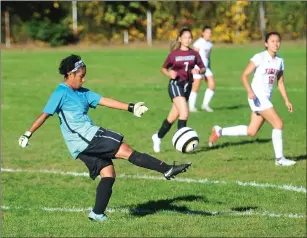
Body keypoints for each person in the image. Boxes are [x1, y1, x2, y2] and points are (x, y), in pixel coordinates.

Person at [18, 54, 192, 222]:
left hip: (80, 145)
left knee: (108, 173)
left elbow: (105, 101)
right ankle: (167, 169)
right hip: (86, 138)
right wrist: (28, 133)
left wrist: (130, 107)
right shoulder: (61, 93)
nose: (84, 79)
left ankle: (97, 214)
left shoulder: (83, 92)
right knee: (127, 151)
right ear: (70, 74)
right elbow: (45, 114)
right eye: (81, 76)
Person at [208, 32, 296, 166]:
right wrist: (249, 91)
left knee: (251, 131)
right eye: (272, 41)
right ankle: (279, 160)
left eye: (278, 41)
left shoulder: (280, 61)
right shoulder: (259, 57)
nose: (276, 43)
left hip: (266, 98)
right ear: (266, 44)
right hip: (257, 96)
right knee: (278, 123)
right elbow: (244, 75)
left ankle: (219, 131)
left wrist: (286, 100)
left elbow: (280, 83)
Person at [152, 27, 206, 153]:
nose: (188, 40)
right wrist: (169, 73)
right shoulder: (174, 54)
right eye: (185, 37)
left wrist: (198, 70)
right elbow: (164, 68)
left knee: (172, 117)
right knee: (184, 112)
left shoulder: (194, 54)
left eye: (190, 37)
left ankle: (157, 137)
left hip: (187, 86)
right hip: (176, 85)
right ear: (180, 39)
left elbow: (203, 68)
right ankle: (182, 142)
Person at [189, 26, 215, 112]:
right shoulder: (198, 43)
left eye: (210, 33)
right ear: (203, 33)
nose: (209, 34)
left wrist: (208, 67)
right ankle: (191, 107)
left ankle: (205, 105)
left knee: (212, 85)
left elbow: (208, 57)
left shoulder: (210, 44)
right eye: (207, 32)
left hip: (206, 68)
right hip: (198, 67)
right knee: (196, 86)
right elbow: (193, 56)